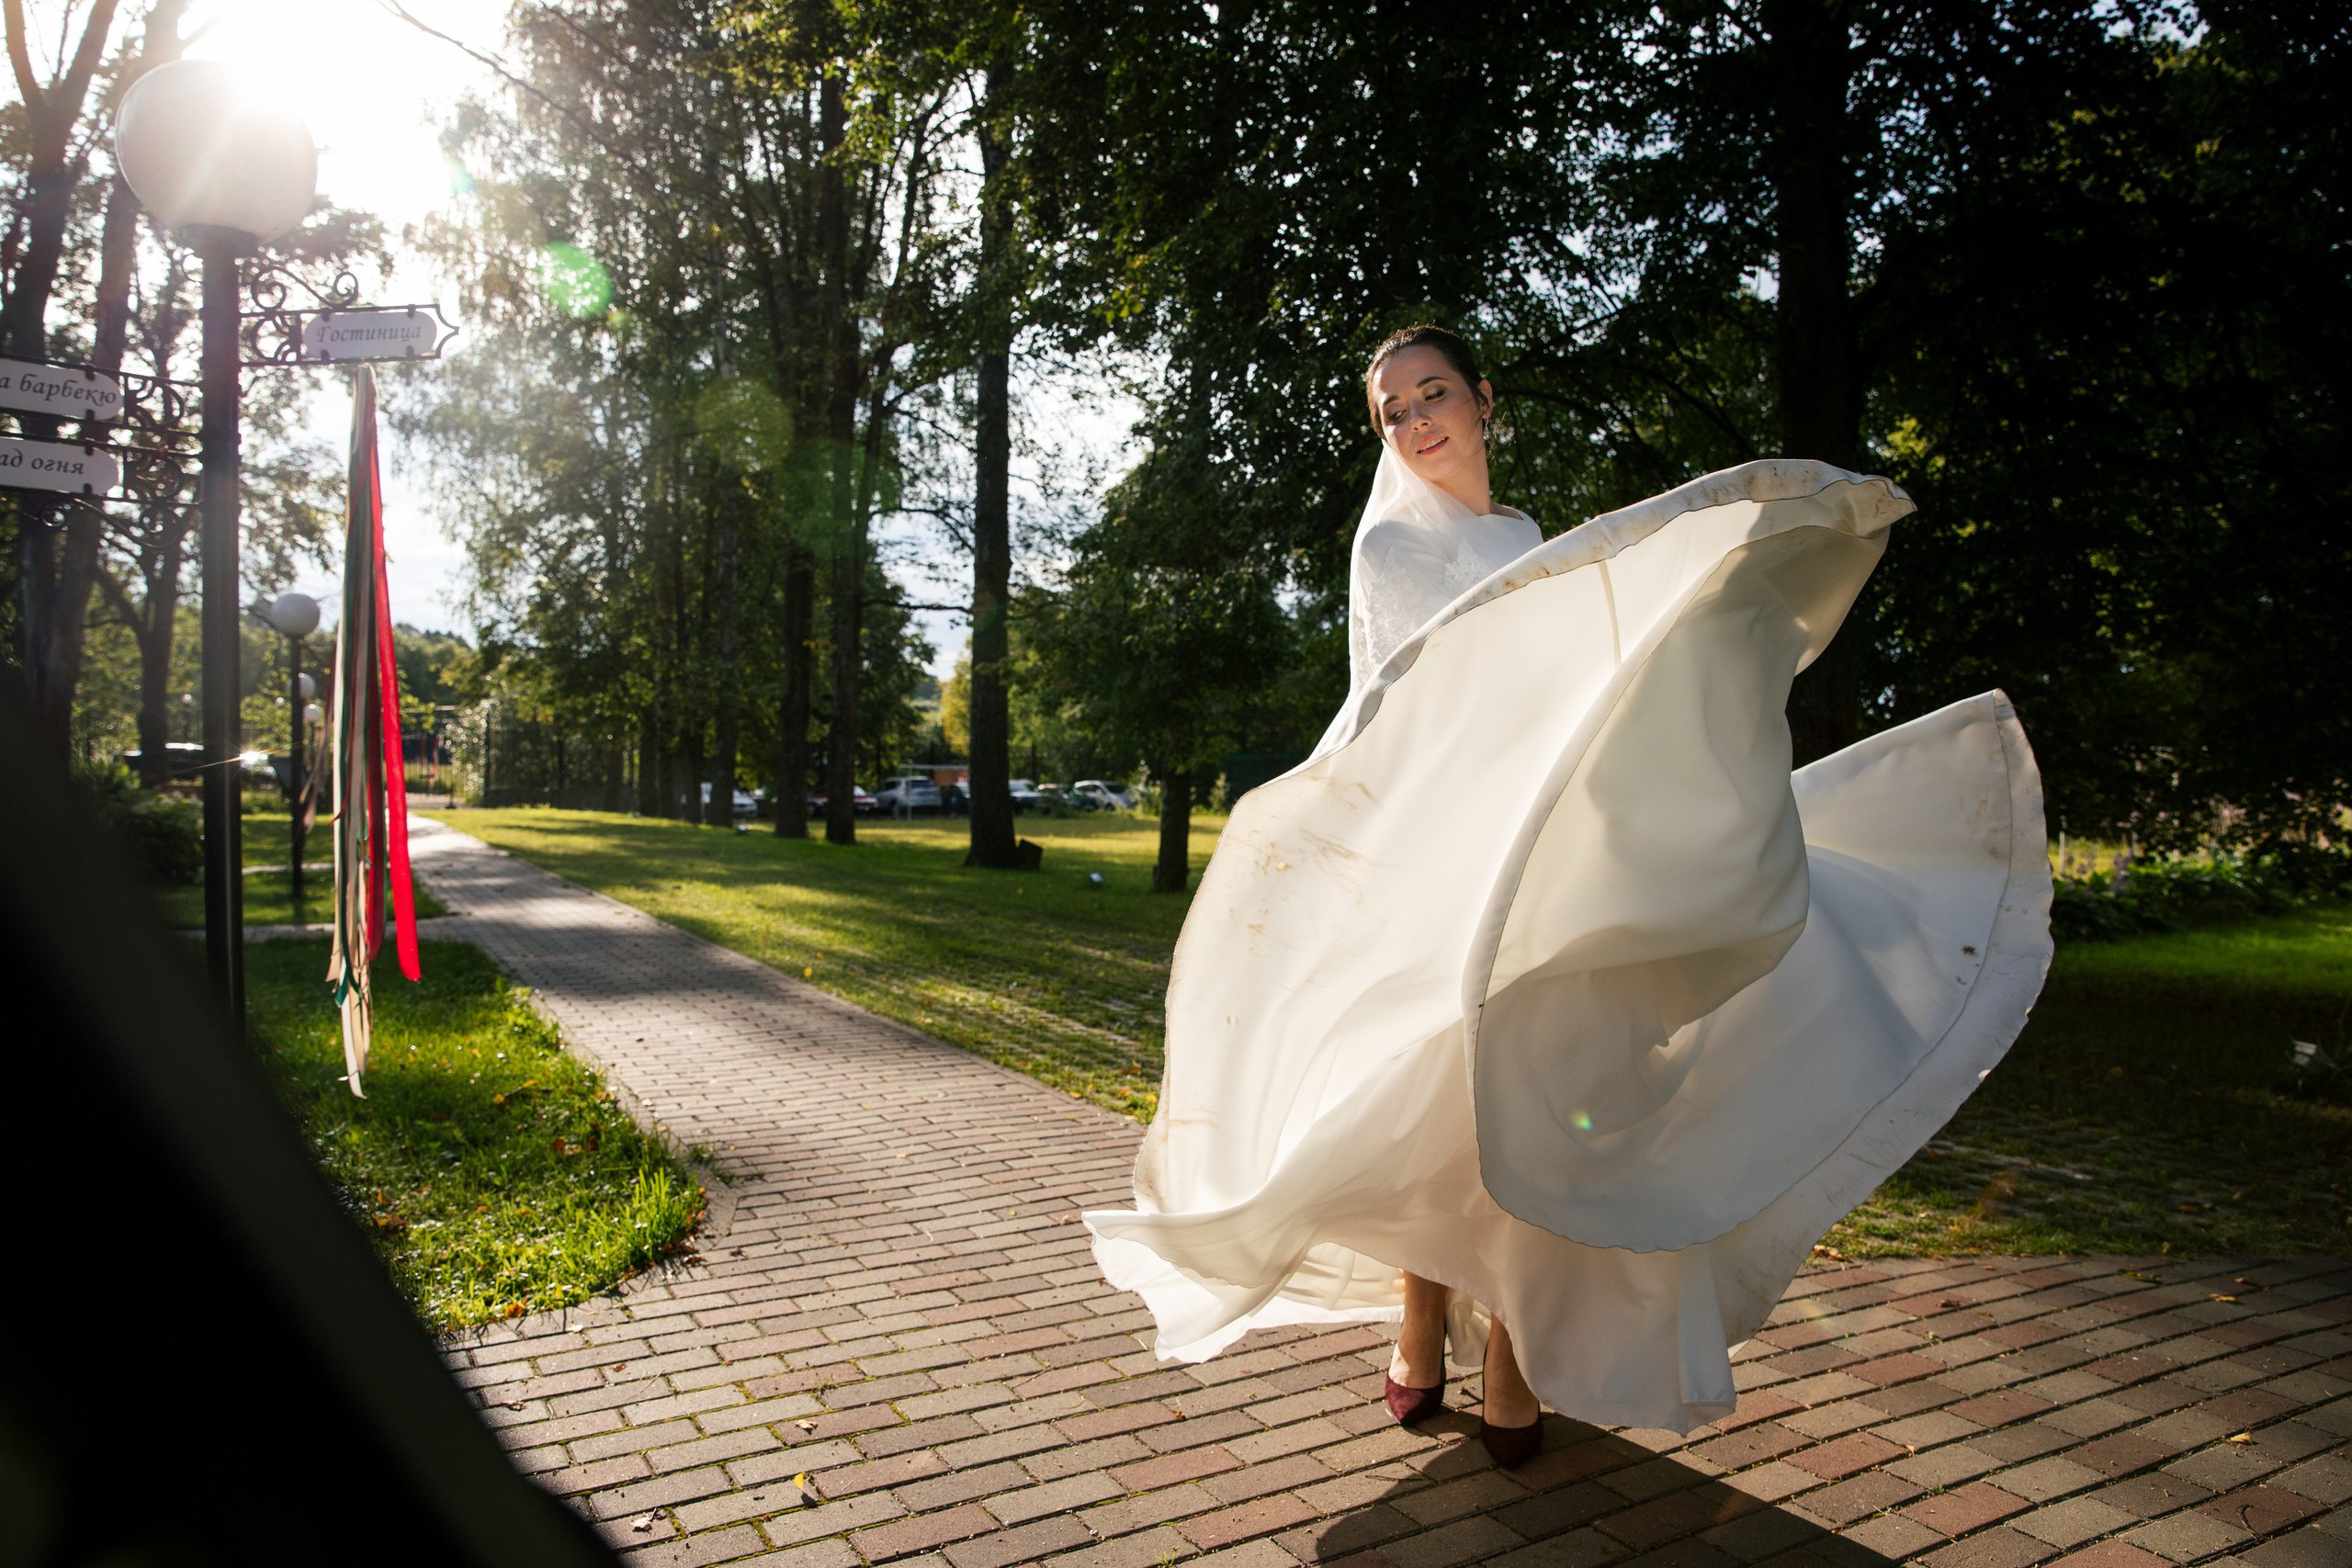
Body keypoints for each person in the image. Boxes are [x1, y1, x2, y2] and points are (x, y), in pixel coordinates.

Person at [1084, 323, 2054, 1465]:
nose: (1414, 422)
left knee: (1532, 1096)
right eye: (1391, 411)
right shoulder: (1391, 551)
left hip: (1546, 852)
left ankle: (1507, 1350)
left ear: (1484, 400)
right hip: (1448, 855)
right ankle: (1417, 1315)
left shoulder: (1533, 543)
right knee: (1432, 1098)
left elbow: (1581, 684)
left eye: (1431, 394)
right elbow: (1415, 714)